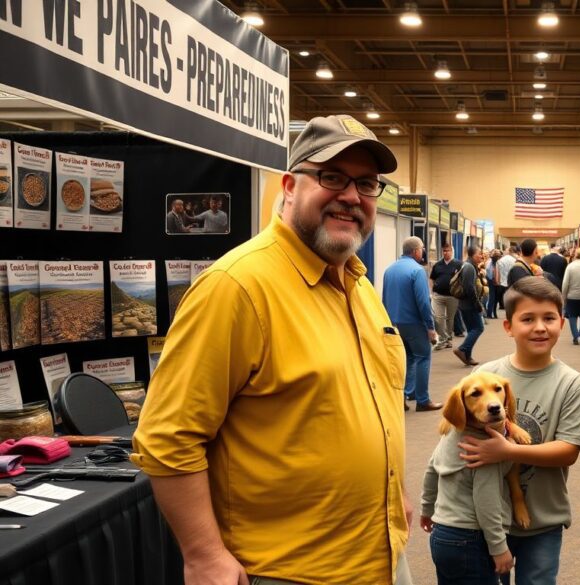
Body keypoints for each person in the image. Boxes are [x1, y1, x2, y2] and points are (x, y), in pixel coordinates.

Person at [133, 114, 412, 584]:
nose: (351, 196)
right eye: (331, 177)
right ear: (288, 185)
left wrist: (393, 492)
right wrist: (202, 554)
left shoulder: (356, 283)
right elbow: (167, 438)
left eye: (366, 184)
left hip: (379, 554)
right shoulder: (237, 287)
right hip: (288, 571)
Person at [458, 277, 580, 585]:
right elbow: (461, 437)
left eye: (548, 318)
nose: (540, 327)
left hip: (543, 519)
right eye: (527, 319)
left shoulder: (570, 383)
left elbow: (568, 451)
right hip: (485, 519)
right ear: (508, 327)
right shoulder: (485, 375)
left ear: (562, 321)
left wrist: (508, 452)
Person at [384, 236, 443, 411]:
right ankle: (423, 400)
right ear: (416, 250)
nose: (423, 251)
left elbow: (384, 297)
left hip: (394, 322)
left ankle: (403, 395)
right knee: (423, 357)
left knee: (406, 359)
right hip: (414, 323)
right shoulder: (417, 271)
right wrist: (430, 327)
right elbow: (423, 302)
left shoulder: (389, 270)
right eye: (422, 249)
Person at [453, 245, 487, 367]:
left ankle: (467, 356)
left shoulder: (470, 266)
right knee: (478, 328)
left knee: (472, 329)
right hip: (469, 304)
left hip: (466, 304)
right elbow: (469, 287)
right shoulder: (469, 267)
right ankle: (462, 349)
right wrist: (477, 304)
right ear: (472, 255)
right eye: (479, 253)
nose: (481, 256)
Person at [430, 243, 463, 350]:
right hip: (438, 296)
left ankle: (448, 339)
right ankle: (442, 339)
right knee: (438, 318)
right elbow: (432, 278)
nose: (446, 252)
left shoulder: (458, 264)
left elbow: (462, 280)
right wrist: (432, 292)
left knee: (450, 319)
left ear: (452, 251)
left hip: (453, 296)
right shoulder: (437, 265)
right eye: (444, 251)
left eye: (448, 250)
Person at [496, 244, 519, 311]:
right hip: (510, 280)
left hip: (502, 280)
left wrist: (498, 279)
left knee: (502, 294)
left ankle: (501, 305)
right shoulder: (514, 260)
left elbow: (498, 271)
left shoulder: (500, 260)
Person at [486, 249, 503, 319]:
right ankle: (490, 313)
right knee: (492, 298)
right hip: (492, 282)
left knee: (495, 298)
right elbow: (489, 274)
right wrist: (494, 279)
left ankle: (494, 313)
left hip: (495, 282)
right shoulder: (491, 263)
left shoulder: (496, 263)